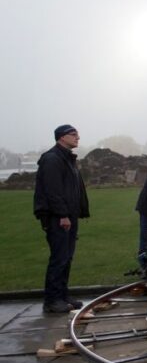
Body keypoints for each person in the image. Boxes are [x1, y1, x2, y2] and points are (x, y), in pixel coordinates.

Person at [33, 125, 90, 313]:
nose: (78, 138)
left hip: (69, 216)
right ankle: (52, 300)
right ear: (61, 137)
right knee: (59, 258)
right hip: (58, 218)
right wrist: (63, 215)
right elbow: (53, 191)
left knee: (66, 258)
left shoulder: (67, 158)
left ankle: (63, 295)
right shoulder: (52, 159)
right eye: (74, 135)